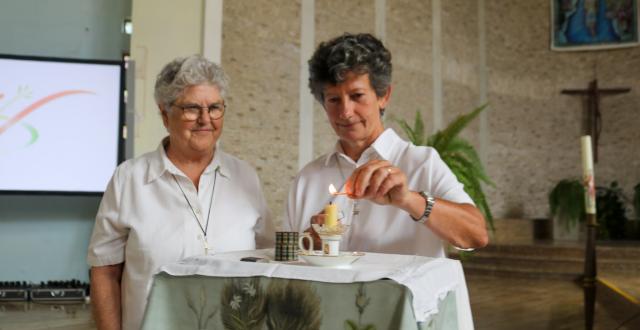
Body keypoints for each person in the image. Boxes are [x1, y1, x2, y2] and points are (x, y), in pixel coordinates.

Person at [87, 55, 273, 330]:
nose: (205, 119)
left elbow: (266, 260)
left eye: (215, 108)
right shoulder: (130, 179)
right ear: (164, 113)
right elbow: (104, 270)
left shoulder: (245, 177)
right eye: (191, 108)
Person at [283, 33, 488, 257]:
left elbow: (476, 236)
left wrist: (409, 200)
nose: (345, 112)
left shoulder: (421, 163)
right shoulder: (307, 179)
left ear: (383, 96)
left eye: (357, 95)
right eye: (333, 99)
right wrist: (309, 245)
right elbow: (286, 262)